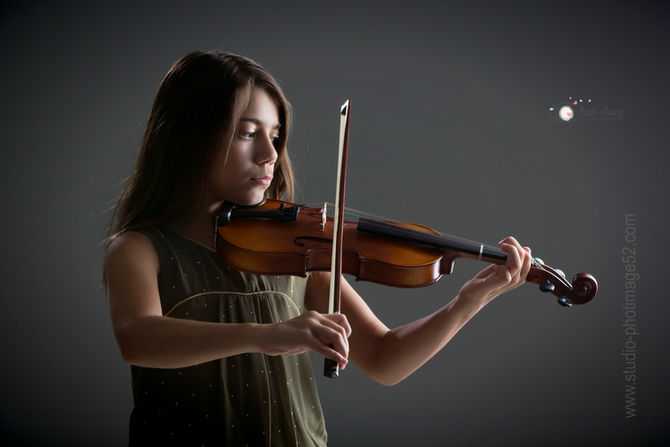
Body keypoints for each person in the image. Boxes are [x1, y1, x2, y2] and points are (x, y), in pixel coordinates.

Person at [104, 50, 533, 446]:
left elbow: (386, 359)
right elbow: (138, 338)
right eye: (247, 133)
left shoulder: (297, 252)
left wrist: (466, 302)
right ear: (191, 136)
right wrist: (267, 336)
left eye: (275, 136)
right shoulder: (140, 248)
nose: (270, 153)